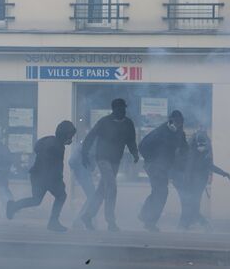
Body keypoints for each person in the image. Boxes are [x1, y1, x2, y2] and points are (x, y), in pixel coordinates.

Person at [80, 98, 139, 232]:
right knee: (112, 187)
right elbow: (90, 137)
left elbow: (131, 141)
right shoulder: (104, 122)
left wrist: (135, 153)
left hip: (115, 160)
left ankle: (87, 216)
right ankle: (111, 222)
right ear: (114, 109)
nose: (123, 110)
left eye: (124, 108)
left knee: (102, 190)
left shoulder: (128, 123)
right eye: (120, 108)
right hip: (103, 159)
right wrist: (84, 153)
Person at [7, 121, 76, 232]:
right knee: (61, 195)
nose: (71, 139)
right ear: (65, 135)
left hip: (37, 175)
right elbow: (57, 166)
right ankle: (53, 222)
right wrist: (59, 181)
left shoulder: (49, 140)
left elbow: (38, 150)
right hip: (46, 176)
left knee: (36, 200)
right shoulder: (58, 147)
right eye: (70, 136)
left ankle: (13, 206)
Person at [138, 110, 188, 232]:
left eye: (180, 123)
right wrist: (151, 160)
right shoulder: (160, 132)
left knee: (158, 192)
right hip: (154, 166)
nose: (178, 125)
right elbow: (142, 146)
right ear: (170, 121)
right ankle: (149, 220)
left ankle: (145, 214)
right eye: (176, 122)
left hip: (165, 167)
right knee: (161, 192)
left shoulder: (180, 133)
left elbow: (185, 148)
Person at [179, 131, 230, 230]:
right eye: (200, 144)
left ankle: (188, 224)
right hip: (192, 183)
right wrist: (187, 182)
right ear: (196, 143)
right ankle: (199, 223)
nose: (201, 147)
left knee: (193, 204)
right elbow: (188, 169)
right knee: (192, 204)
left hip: (199, 184)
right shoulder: (192, 154)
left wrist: (223, 173)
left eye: (203, 145)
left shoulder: (204, 154)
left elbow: (210, 166)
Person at [68, 136, 96, 228]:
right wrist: (83, 170)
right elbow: (72, 161)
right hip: (84, 174)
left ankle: (82, 220)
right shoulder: (87, 146)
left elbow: (72, 161)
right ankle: (79, 219)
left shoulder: (83, 144)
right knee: (92, 197)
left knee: (92, 197)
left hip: (83, 174)